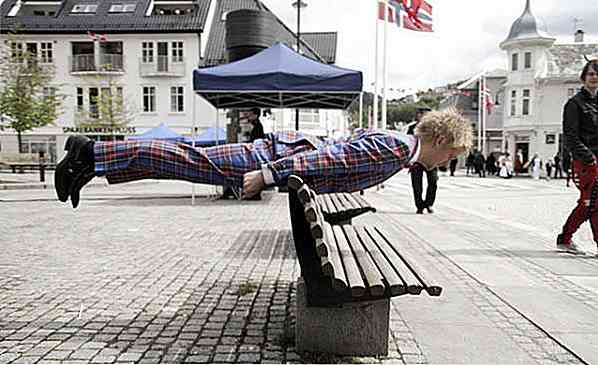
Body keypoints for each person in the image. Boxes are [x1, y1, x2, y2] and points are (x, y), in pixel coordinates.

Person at [54, 109, 472, 209]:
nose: (447, 162)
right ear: (439, 139)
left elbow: (333, 158)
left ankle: (92, 164)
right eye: (450, 154)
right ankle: (88, 152)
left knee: (178, 161)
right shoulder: (396, 148)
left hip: (270, 155)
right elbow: (328, 161)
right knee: (181, 157)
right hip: (265, 158)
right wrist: (267, 176)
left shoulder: (397, 147)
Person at [556, 59, 598, 254]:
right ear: (583, 77)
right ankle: (566, 238)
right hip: (586, 160)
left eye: (597, 74)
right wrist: (588, 156)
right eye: (591, 74)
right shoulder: (574, 104)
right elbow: (570, 136)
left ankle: (565, 238)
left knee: (588, 202)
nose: (594, 77)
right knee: (593, 202)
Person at [407, 107, 438, 214]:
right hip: (417, 159)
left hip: (430, 159)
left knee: (433, 181)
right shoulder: (412, 128)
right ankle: (419, 205)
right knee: (416, 184)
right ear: (419, 115)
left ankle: (429, 204)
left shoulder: (434, 128)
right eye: (424, 115)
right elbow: (408, 143)